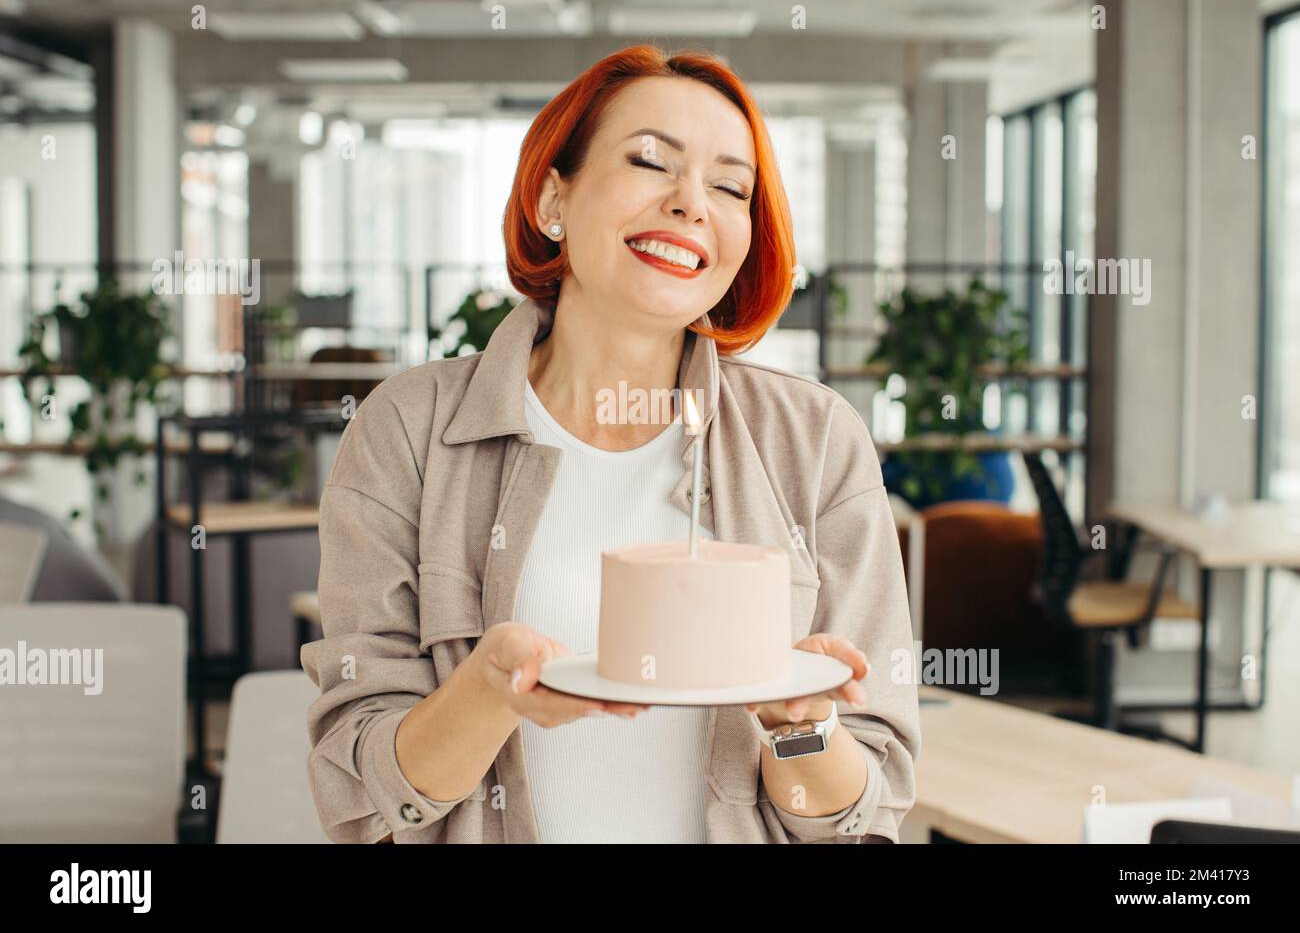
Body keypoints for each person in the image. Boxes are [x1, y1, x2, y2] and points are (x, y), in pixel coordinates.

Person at [302, 44, 920, 844]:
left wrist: (797, 724)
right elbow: (359, 788)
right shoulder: (409, 428)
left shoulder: (814, 439)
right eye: (650, 162)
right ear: (554, 197)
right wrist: (487, 693)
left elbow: (867, 810)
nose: (692, 203)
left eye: (731, 186)